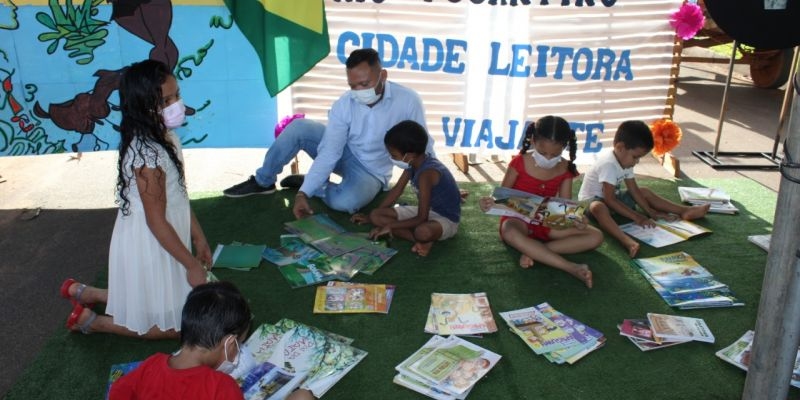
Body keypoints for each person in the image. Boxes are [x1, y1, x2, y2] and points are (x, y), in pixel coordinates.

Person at [59, 59, 213, 338]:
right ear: (143, 107)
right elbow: (156, 222)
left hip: (166, 237)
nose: (176, 104)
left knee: (166, 297)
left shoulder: (165, 135)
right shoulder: (147, 156)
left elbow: (178, 192)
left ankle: (87, 292)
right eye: (166, 100)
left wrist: (199, 236)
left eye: (176, 95)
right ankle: (93, 322)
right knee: (182, 328)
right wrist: (190, 263)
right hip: (153, 242)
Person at [222, 48, 433, 219]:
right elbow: (330, 151)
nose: (359, 91)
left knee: (346, 202)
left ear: (383, 76)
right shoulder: (344, 104)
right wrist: (303, 195)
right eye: (353, 85)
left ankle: (315, 184)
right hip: (344, 152)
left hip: (372, 171)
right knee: (299, 127)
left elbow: (423, 145)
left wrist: (437, 182)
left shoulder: (407, 100)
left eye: (365, 84)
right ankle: (263, 181)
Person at [479, 116, 602, 288]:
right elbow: (502, 197)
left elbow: (565, 206)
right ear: (534, 141)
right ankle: (571, 268)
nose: (548, 158)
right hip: (518, 220)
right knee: (510, 232)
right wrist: (489, 204)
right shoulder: (518, 163)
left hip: (548, 221)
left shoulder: (566, 168)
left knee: (596, 236)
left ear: (564, 147)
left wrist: (578, 220)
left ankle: (536, 251)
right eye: (543, 153)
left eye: (555, 154)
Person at [577, 120, 709, 258]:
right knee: (598, 207)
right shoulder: (608, 164)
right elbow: (609, 200)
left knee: (644, 191)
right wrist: (637, 217)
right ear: (620, 147)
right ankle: (626, 241)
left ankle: (685, 210)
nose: (636, 162)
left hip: (613, 200)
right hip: (592, 203)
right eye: (635, 157)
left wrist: (650, 212)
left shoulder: (625, 162)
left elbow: (633, 189)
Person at [108, 282, 250, 399]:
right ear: (229, 342)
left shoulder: (151, 364)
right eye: (239, 344)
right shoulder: (222, 387)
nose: (238, 352)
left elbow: (118, 390)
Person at [351, 120, 460, 257]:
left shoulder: (426, 174)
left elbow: (421, 218)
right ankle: (419, 239)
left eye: (394, 155)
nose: (391, 157)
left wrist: (389, 226)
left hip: (445, 219)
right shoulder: (414, 164)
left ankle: (422, 240)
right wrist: (374, 215)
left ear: (409, 155)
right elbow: (397, 190)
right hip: (428, 211)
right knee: (376, 215)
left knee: (423, 231)